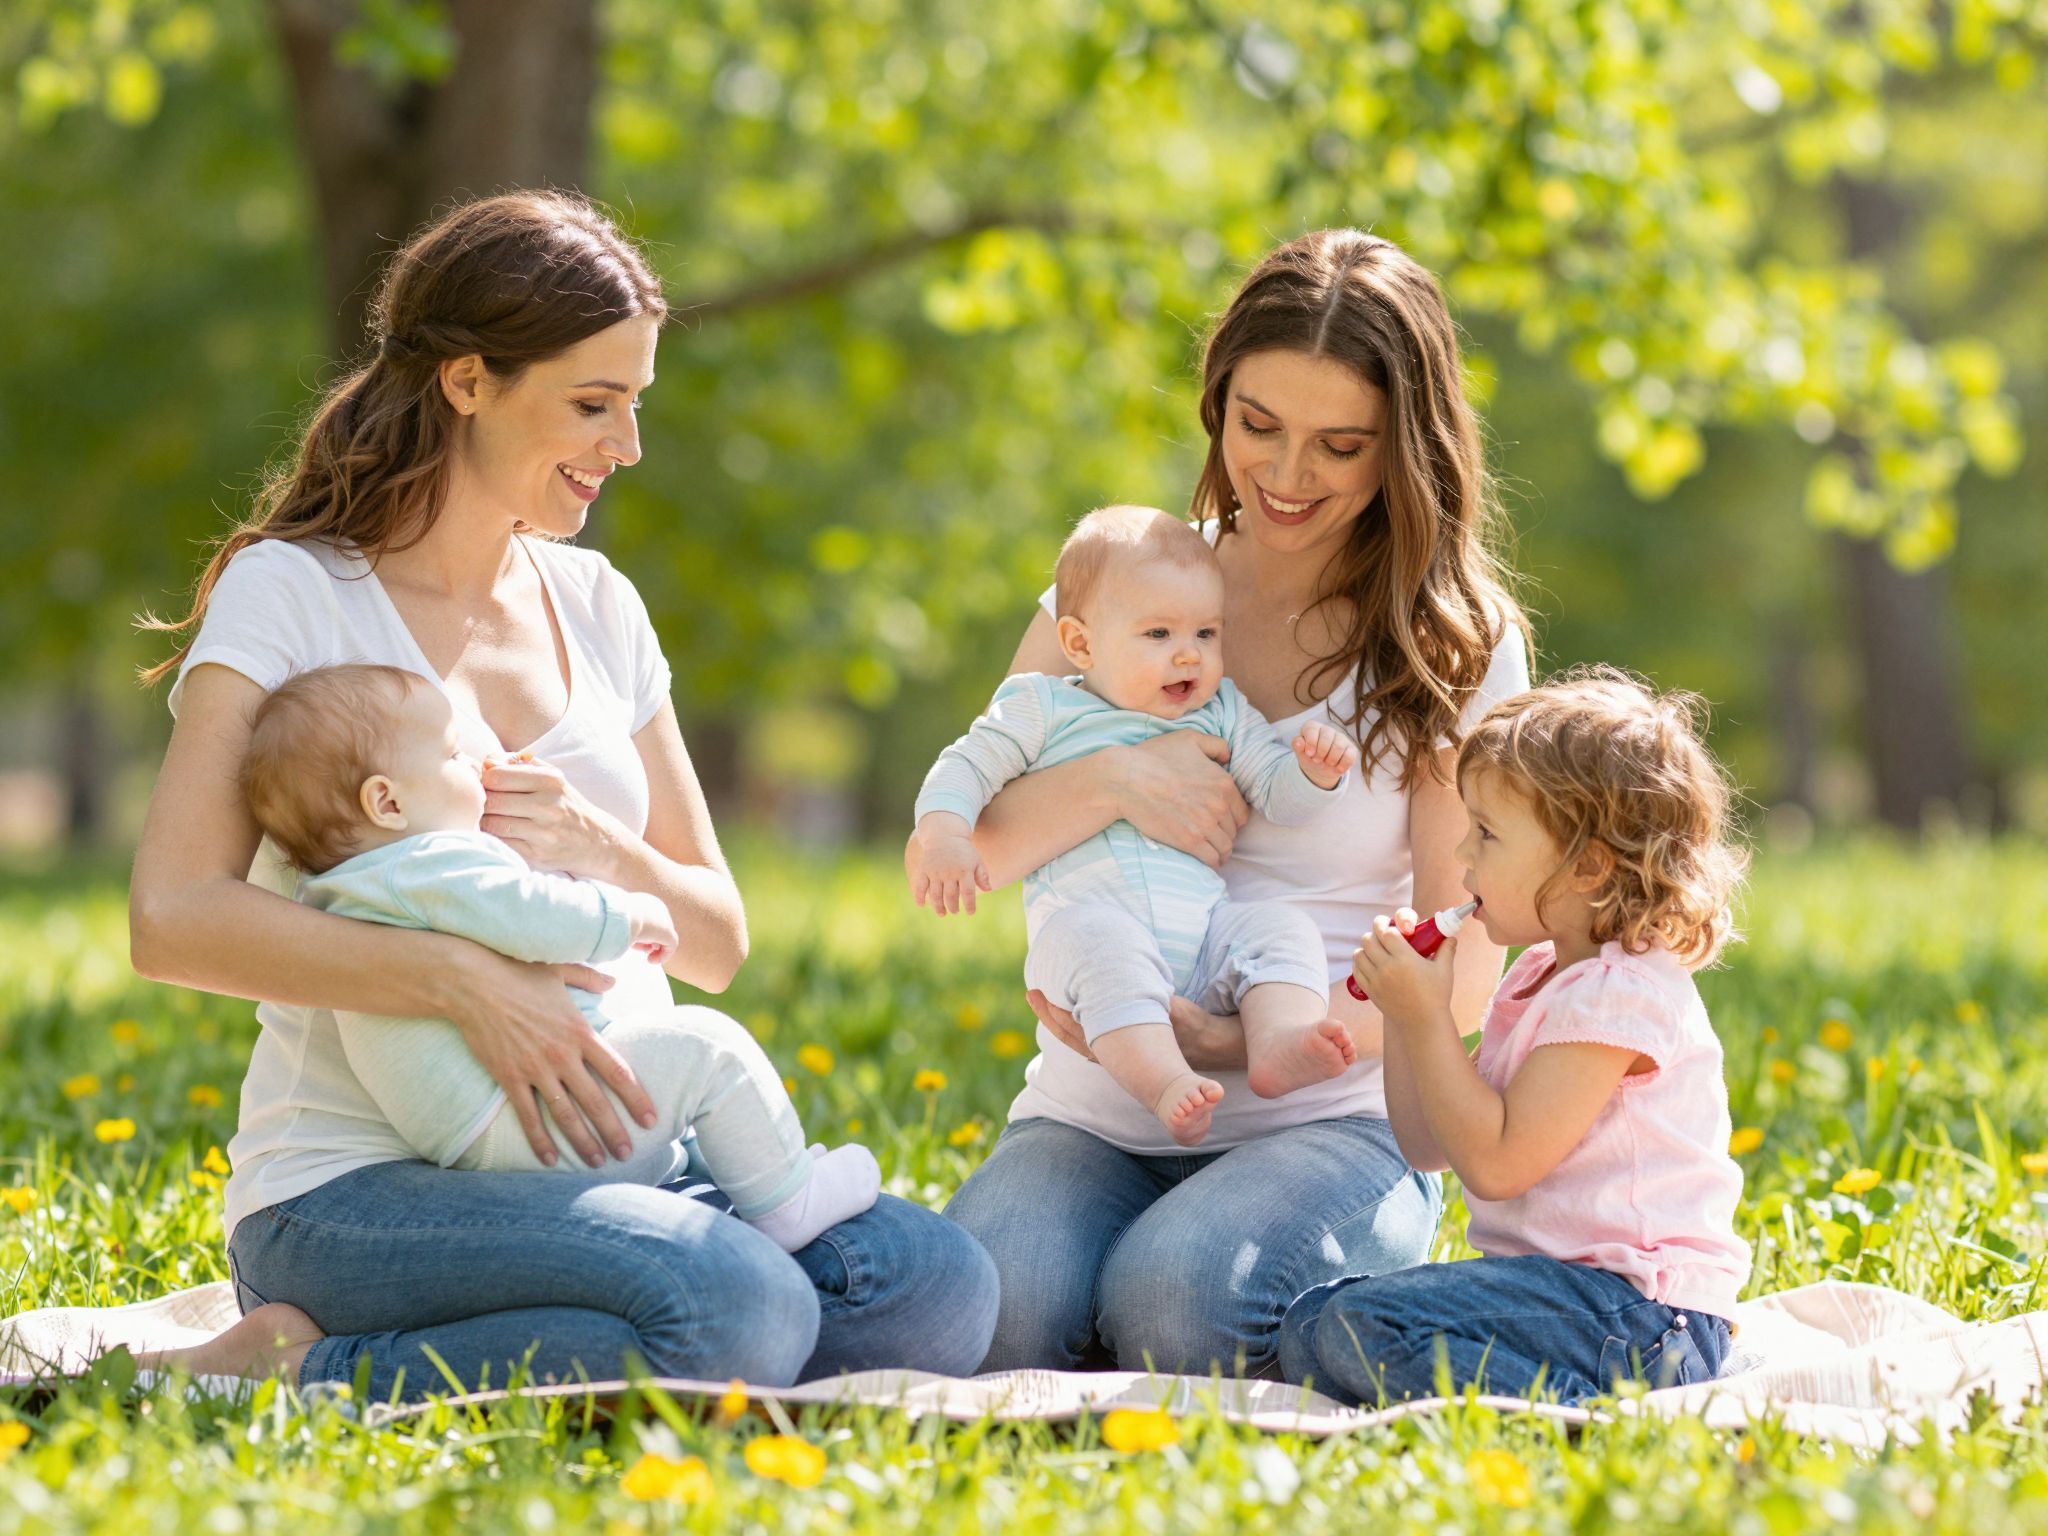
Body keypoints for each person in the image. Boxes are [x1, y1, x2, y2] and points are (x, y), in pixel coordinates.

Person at [128, 190, 996, 1395]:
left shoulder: (598, 606)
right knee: (732, 1310)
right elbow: (172, 919)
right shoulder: (294, 593)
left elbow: (716, 943)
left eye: (633, 405)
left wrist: (596, 844)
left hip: (618, 1152)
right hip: (363, 1187)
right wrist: (466, 983)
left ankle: (618, 1301)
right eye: (593, 405)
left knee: (938, 1288)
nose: (625, 446)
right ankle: (305, 1359)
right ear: (468, 381)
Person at [940, 229, 1532, 1376]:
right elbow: (982, 843)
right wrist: (1115, 775)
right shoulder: (1118, 586)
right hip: (1097, 1102)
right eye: (1256, 425)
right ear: (1215, 402)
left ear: (1402, 451)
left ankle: (1244, 1276)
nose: (1286, 474)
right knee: (989, 1314)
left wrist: (1246, 1045)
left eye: (1338, 445)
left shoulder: (1450, 640)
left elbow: (1459, 963)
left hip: (1331, 1117)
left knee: (1177, 1303)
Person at [236, 662, 881, 1255]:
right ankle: (787, 1201)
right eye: (454, 754)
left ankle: (753, 1174)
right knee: (709, 1047)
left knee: (922, 1270)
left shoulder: (354, 888)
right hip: (526, 1120)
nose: (478, 761)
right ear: (389, 803)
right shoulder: (428, 864)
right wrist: (630, 914)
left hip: (481, 1133)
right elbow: (528, 914)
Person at [1279, 670, 1752, 1405]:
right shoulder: (1543, 973)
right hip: (1565, 1299)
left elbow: (1497, 1167)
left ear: (1589, 864)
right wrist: (1409, 1017)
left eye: (1488, 834)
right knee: (1311, 1322)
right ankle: (1550, 1401)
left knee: (1356, 1325)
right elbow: (1431, 1147)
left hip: (1644, 1315)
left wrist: (1430, 1017)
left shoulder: (1620, 993)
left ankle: (1587, 1418)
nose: (1462, 855)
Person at [909, 505, 1361, 1147]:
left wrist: (1314, 775)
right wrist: (946, 836)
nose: (1189, 654)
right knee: (1099, 943)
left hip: (1204, 938)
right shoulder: (1044, 708)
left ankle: (1278, 1039)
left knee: (1278, 928)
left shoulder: (1223, 710)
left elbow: (1276, 792)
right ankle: (1163, 1083)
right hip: (1091, 934)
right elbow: (965, 766)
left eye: (1206, 633)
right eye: (1158, 635)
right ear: (1081, 644)